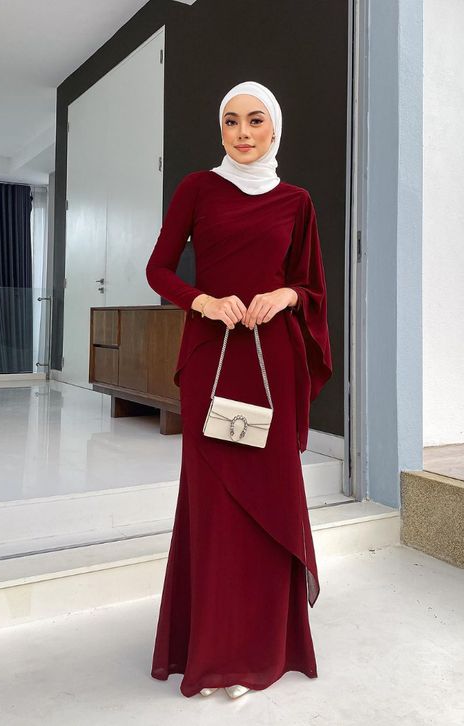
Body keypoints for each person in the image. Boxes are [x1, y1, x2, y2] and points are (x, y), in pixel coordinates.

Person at [146, 80, 333, 700]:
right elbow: (158, 269)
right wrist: (203, 300)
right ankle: (214, 650)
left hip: (272, 362)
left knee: (269, 500)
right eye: (231, 121)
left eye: (255, 120)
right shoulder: (198, 188)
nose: (243, 133)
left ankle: (261, 649)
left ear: (275, 128)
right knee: (214, 507)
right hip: (213, 358)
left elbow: (310, 287)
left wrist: (285, 295)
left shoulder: (297, 201)